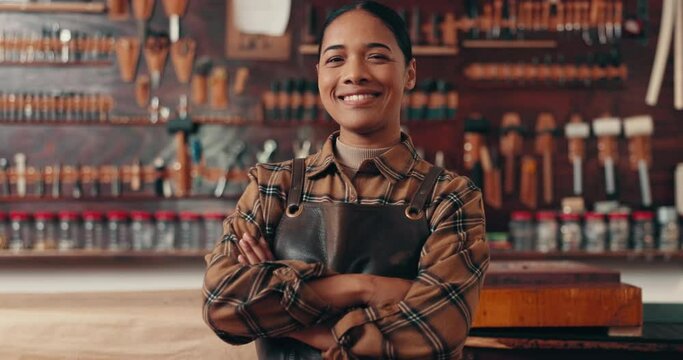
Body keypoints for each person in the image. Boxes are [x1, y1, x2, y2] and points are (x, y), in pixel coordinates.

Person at [202, 1, 489, 359]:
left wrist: (277, 310)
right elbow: (222, 305)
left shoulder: (450, 197)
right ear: (319, 72)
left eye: (377, 57)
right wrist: (363, 288)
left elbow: (436, 331)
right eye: (336, 59)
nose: (354, 74)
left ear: (410, 73)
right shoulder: (270, 187)